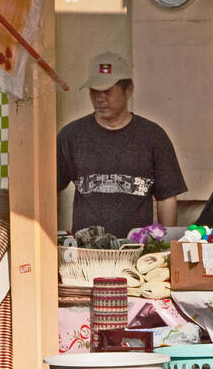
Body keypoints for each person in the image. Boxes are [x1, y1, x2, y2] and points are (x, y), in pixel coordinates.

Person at [57, 52, 186, 236]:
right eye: (94, 91)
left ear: (129, 90)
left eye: (108, 91)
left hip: (137, 252)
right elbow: (48, 189)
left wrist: (166, 246)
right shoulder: (71, 136)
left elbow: (167, 198)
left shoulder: (153, 137)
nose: (99, 98)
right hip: (85, 253)